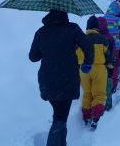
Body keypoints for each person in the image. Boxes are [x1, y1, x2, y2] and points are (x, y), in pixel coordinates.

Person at [29, 9, 94, 146]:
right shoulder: (72, 29)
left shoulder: (41, 32)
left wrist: (49, 48)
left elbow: (33, 57)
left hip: (47, 80)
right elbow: (88, 46)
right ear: (65, 14)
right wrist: (87, 63)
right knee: (60, 119)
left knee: (59, 116)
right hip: (67, 79)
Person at [77, 16, 114, 130]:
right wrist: (110, 66)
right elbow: (109, 56)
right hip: (99, 68)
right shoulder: (103, 39)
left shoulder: (80, 39)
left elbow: (75, 56)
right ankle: (96, 118)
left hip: (83, 70)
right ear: (97, 27)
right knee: (99, 94)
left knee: (87, 94)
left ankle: (86, 116)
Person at [104, 0, 120, 92]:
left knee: (105, 64)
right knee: (114, 64)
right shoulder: (117, 19)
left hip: (104, 45)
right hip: (115, 46)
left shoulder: (104, 18)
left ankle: (105, 82)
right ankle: (113, 85)